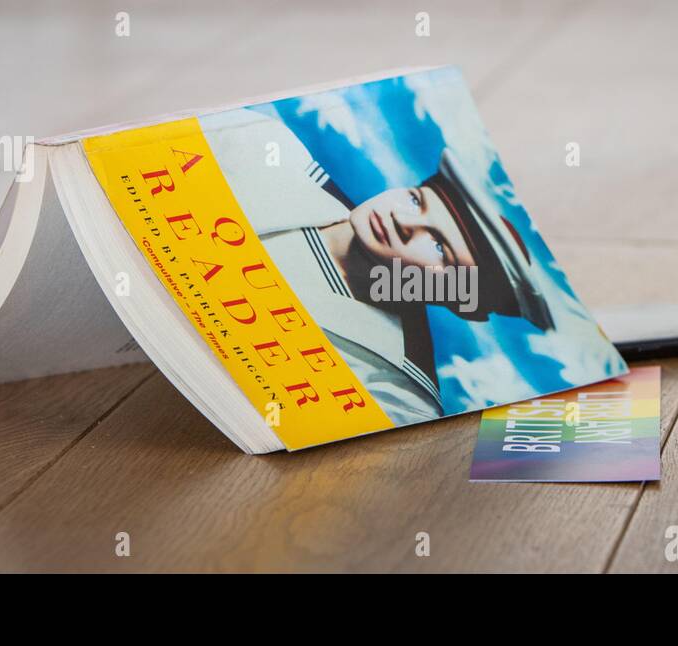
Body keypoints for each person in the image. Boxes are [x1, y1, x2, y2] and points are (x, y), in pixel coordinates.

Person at [201, 108, 554, 425]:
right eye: (417, 201)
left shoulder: (397, 393)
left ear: (462, 301)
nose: (403, 221)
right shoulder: (259, 144)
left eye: (438, 247)